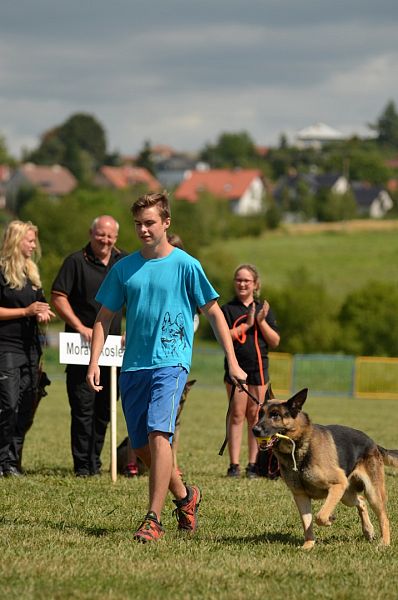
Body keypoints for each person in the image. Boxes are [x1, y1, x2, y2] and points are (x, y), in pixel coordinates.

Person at [86, 192, 247, 543]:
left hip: (171, 364)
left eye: (150, 223)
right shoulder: (124, 268)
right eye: (138, 224)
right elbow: (104, 317)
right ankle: (186, 497)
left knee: (161, 434)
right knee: (142, 447)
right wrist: (94, 360)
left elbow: (215, 313)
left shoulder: (187, 265)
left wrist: (233, 362)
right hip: (133, 367)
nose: (143, 230)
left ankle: (152, 519)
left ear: (166, 222)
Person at [51, 215, 127, 477]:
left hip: (114, 349)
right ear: (91, 233)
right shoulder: (75, 261)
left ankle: (95, 461)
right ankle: (82, 466)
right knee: (83, 408)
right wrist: (80, 326)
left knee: (105, 409)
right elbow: (58, 297)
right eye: (100, 235)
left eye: (110, 236)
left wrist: (130, 329)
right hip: (80, 347)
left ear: (116, 237)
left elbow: (135, 297)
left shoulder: (124, 261)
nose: (105, 240)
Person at [0, 220, 55, 477]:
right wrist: (26, 311)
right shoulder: (2, 271)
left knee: (25, 405)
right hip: (7, 347)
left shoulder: (31, 272)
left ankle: (12, 462)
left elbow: (39, 304)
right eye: (30, 240)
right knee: (8, 405)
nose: (34, 246)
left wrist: (43, 312)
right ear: (16, 240)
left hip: (31, 348)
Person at [221, 264, 280, 479]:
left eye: (247, 280)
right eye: (238, 279)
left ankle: (253, 465)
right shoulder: (228, 309)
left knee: (256, 416)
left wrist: (261, 322)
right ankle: (234, 465)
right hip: (237, 369)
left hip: (259, 370)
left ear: (255, 284)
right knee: (237, 414)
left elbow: (275, 341)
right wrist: (246, 325)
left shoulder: (263, 308)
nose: (242, 283)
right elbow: (224, 336)